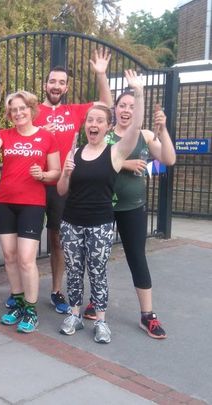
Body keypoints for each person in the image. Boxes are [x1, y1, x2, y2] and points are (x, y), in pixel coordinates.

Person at [57, 69, 144, 344]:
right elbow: (61, 191)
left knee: (97, 272)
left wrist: (138, 93)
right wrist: (66, 172)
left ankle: (101, 320)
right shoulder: (75, 152)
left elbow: (135, 128)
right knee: (73, 270)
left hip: (100, 225)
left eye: (99, 120)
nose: (93, 124)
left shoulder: (115, 153)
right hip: (71, 223)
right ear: (86, 126)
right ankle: (74, 314)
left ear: (108, 126)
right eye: (89, 120)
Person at [83, 92, 176, 339]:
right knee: (98, 258)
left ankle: (147, 315)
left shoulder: (144, 135)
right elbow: (98, 158)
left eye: (131, 106)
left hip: (133, 206)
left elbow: (169, 159)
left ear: (137, 111)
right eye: (122, 105)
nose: (126, 110)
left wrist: (163, 130)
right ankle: (95, 301)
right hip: (103, 205)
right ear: (115, 109)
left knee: (137, 258)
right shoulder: (106, 134)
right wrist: (126, 163)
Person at [30, 48, 113, 314]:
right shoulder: (33, 112)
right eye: (52, 81)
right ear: (46, 84)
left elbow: (106, 105)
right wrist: (40, 131)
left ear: (66, 87)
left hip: (60, 185)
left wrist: (101, 74)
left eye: (61, 82)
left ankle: (56, 291)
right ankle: (22, 292)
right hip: (31, 183)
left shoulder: (73, 112)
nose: (56, 86)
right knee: (26, 244)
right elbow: (17, 132)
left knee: (57, 241)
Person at [0, 90, 61, 333]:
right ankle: (16, 301)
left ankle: (31, 309)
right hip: (5, 203)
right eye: (13, 110)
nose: (18, 113)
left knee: (26, 259)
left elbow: (56, 172)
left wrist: (44, 175)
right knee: (9, 256)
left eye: (22, 108)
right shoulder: (4, 135)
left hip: (32, 204)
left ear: (32, 109)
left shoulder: (47, 137)